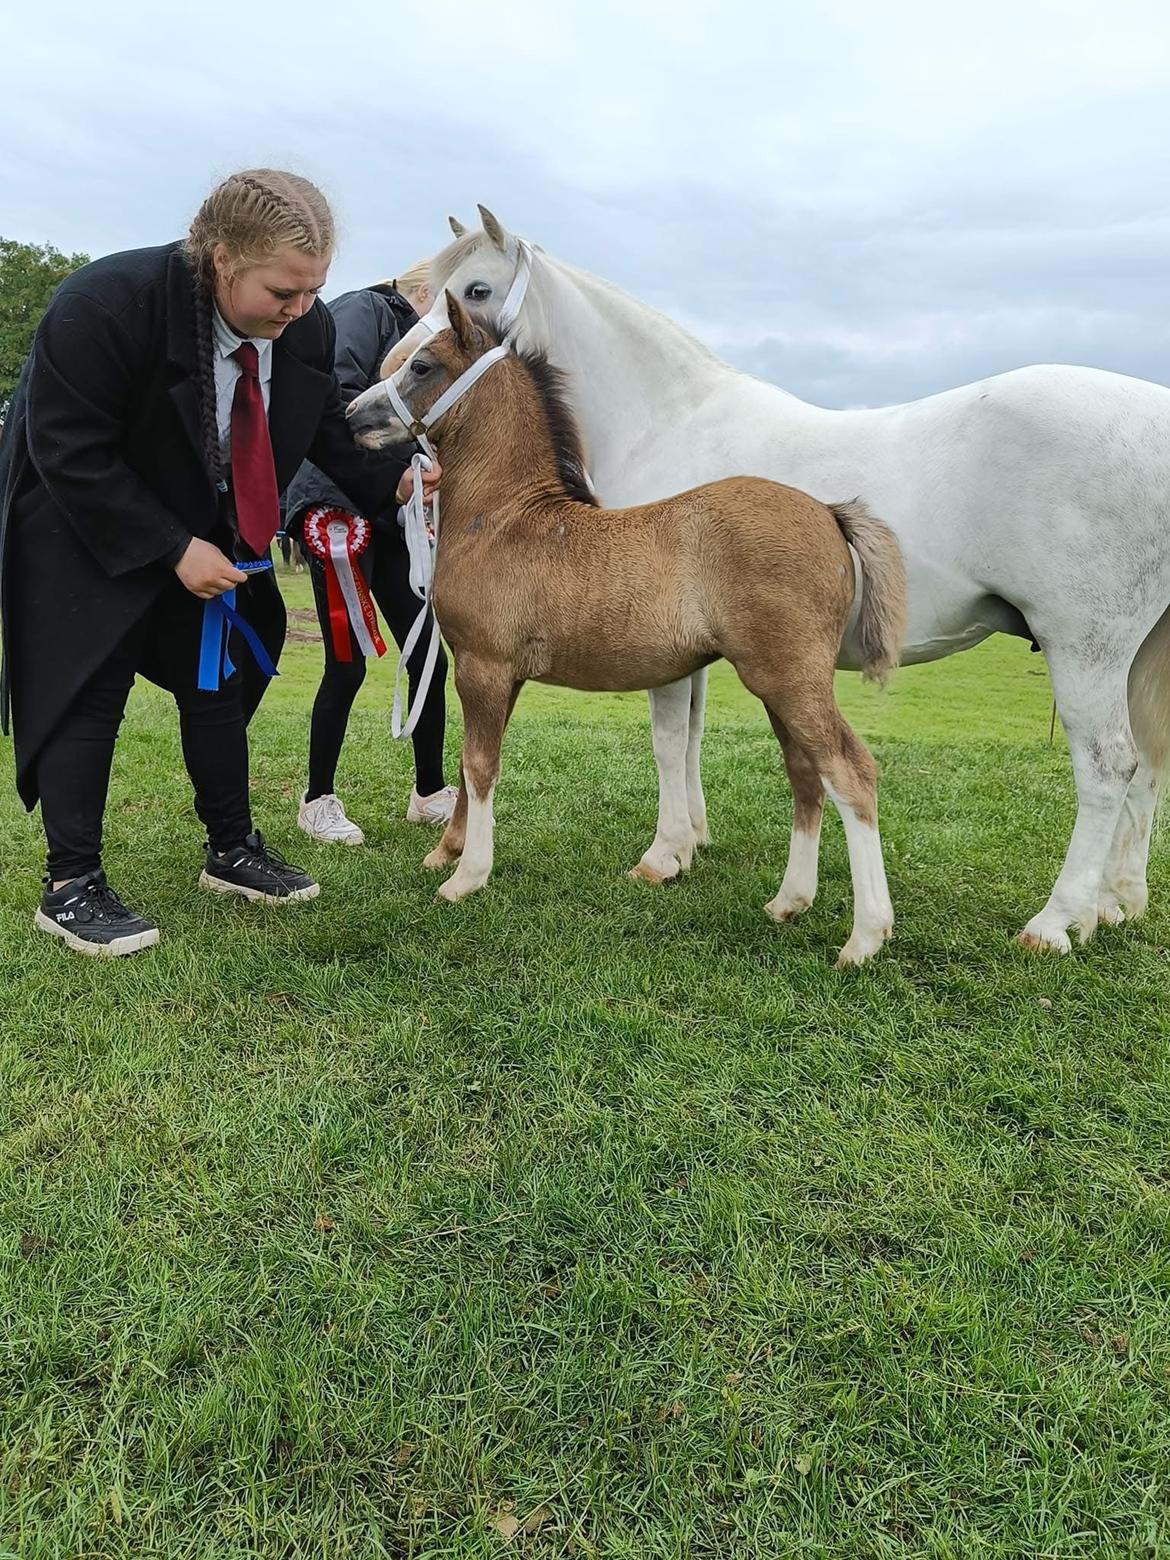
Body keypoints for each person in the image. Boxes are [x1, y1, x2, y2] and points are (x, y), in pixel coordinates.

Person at [0, 168, 439, 956]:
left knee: (218, 677)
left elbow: (322, 431)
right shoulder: (104, 306)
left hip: (207, 520)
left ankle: (231, 850)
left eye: (315, 291)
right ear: (223, 258)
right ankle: (71, 886)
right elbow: (66, 449)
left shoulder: (303, 328)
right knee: (90, 688)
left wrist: (397, 475)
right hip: (80, 519)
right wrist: (170, 547)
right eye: (283, 292)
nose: (303, 311)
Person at [286, 272, 455, 846]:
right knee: (346, 661)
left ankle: (429, 792)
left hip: (390, 510)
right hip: (337, 506)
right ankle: (317, 799)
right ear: (426, 290)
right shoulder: (367, 309)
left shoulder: (423, 343)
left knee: (427, 651)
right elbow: (339, 396)